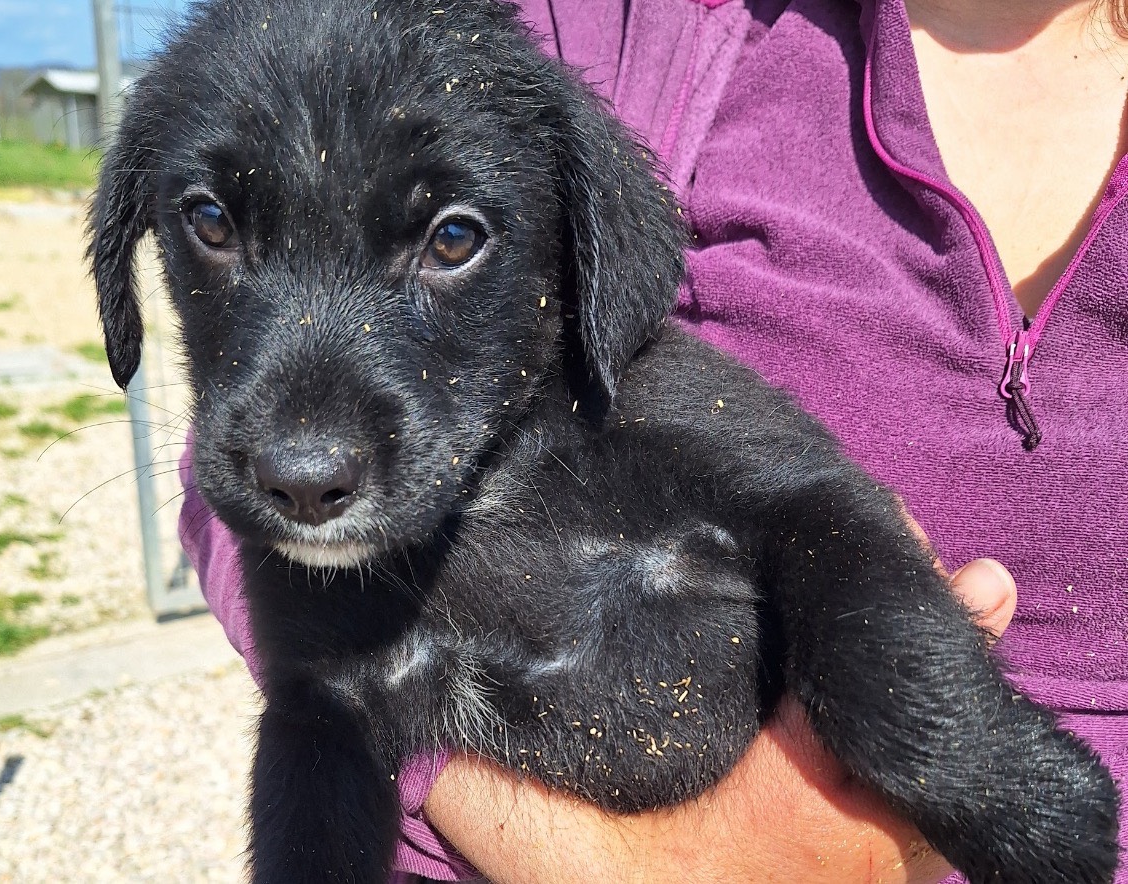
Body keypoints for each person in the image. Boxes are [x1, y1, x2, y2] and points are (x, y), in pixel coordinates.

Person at [178, 0, 1128, 879]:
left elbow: (810, 512)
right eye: (213, 225)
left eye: (452, 239)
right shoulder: (595, 23)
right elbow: (317, 688)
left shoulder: (644, 390)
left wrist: (940, 746)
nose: (304, 449)